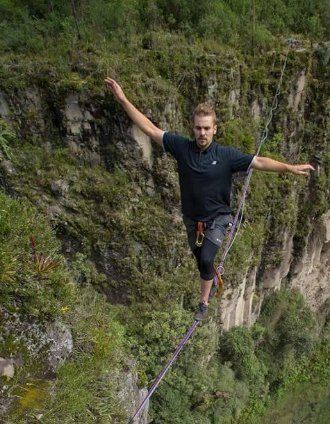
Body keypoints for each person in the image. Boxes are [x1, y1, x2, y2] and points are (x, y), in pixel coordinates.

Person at [105, 77, 314, 321]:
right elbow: (150, 129)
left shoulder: (225, 155)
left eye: (207, 128)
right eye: (198, 128)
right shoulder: (181, 147)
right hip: (192, 220)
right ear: (192, 128)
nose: (202, 132)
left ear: (215, 129)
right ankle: (210, 281)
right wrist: (122, 99)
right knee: (201, 263)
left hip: (217, 218)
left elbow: (259, 162)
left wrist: (288, 168)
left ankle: (203, 303)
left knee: (206, 258)